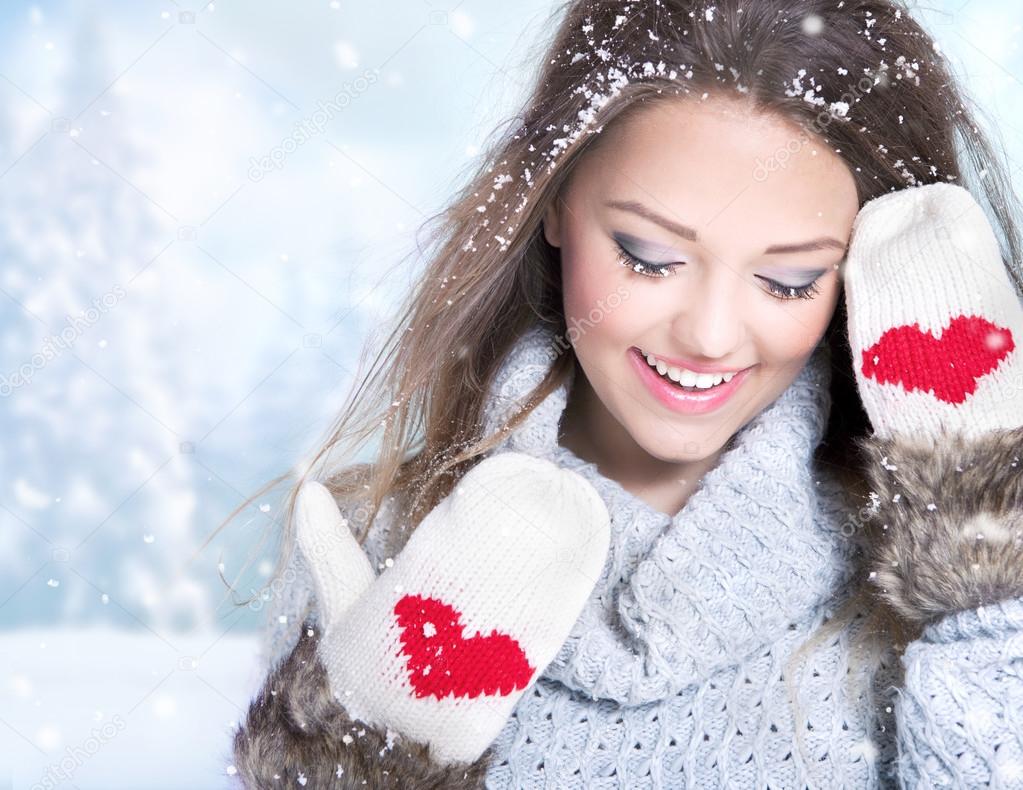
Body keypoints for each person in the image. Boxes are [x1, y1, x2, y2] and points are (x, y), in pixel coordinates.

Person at [223, 0, 1023, 786]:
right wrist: (353, 762)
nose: (709, 335)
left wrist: (989, 557)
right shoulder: (382, 540)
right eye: (646, 255)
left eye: (788, 280)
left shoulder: (924, 575)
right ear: (555, 204)